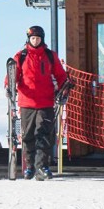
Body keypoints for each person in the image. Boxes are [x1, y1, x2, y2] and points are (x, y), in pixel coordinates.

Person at [12, 25, 69, 181]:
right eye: (32, 38)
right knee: (28, 136)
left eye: (37, 38)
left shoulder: (50, 56)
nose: (35, 41)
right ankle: (29, 166)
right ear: (28, 39)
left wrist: (64, 88)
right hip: (27, 102)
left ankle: (42, 167)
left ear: (42, 39)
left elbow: (60, 75)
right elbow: (13, 76)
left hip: (45, 102)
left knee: (43, 135)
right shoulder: (20, 56)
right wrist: (9, 87)